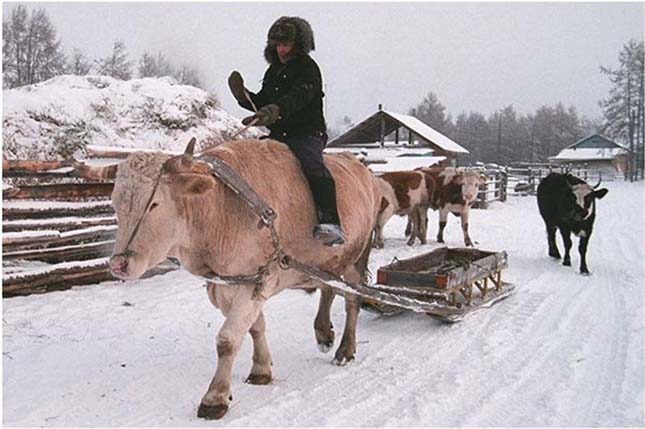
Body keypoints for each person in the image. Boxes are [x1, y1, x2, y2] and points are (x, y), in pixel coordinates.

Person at [228, 16, 345, 246]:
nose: (281, 50)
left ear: (298, 45)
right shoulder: (274, 71)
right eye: (277, 45)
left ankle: (331, 223)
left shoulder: (308, 68)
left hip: (306, 133)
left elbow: (300, 96)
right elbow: (263, 101)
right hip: (278, 135)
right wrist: (245, 97)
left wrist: (277, 109)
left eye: (286, 44)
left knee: (312, 164)